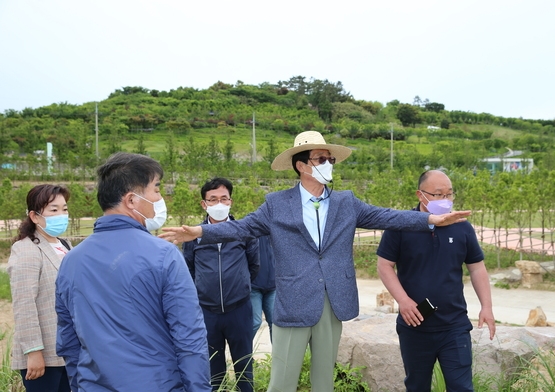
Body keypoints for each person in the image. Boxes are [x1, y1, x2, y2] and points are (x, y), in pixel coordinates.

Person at [160, 131, 472, 392]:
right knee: (282, 381)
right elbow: (241, 227)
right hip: (294, 301)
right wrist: (200, 231)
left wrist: (432, 218)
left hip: (333, 299)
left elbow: (386, 215)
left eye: (330, 159)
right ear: (302, 166)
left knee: (324, 380)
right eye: (321, 159)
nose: (328, 164)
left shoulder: (345, 202)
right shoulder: (277, 204)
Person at [55, 152, 211, 392]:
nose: (160, 198)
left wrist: (81, 384)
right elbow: (189, 336)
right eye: (156, 189)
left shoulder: (72, 260)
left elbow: (68, 339)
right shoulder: (163, 254)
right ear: (131, 200)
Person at [376, 170, 496, 392]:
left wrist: (486, 307)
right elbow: (384, 265)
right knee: (417, 386)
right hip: (414, 325)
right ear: (421, 195)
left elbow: (477, 267)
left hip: (455, 325)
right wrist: (403, 301)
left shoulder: (462, 227)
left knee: (461, 387)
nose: (445, 200)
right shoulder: (402, 225)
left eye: (449, 194)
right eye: (438, 194)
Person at [182, 177, 259, 392]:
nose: (219, 204)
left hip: (239, 309)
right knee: (214, 367)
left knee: (244, 363)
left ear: (231, 202)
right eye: (213, 199)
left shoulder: (244, 231)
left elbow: (254, 266)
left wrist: (239, 287)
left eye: (224, 199)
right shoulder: (192, 236)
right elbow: (189, 269)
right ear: (204, 204)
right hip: (207, 311)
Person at [8, 184, 72, 392]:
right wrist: (33, 351)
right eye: (54, 210)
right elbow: (24, 303)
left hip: (69, 349)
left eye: (64, 209)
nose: (61, 215)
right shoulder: (27, 249)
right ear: (35, 216)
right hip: (43, 355)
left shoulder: (65, 245)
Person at [250, 235, 276, 340]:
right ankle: (244, 354)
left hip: (273, 286)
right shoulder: (251, 226)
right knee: (255, 322)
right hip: (254, 286)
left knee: (275, 323)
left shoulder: (275, 228)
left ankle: (278, 356)